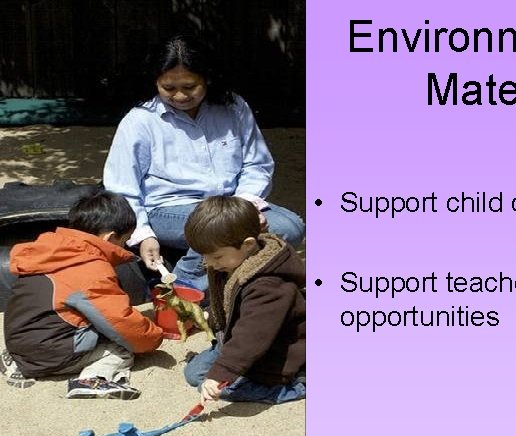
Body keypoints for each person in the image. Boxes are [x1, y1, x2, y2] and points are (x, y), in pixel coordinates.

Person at [103, 35, 305, 292]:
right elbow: (122, 187)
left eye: (189, 87)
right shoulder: (140, 121)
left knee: (290, 227)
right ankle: (182, 290)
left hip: (230, 204)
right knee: (222, 228)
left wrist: (244, 207)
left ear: (207, 78)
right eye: (168, 88)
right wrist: (143, 234)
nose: (179, 96)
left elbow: (257, 165)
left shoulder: (234, 107)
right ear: (155, 82)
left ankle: (227, 286)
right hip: (167, 209)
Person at [0, 192, 164, 398]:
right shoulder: (90, 269)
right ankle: (92, 379)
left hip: (19, 339)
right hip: (48, 352)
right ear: (110, 237)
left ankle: (17, 361)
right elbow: (120, 321)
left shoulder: (51, 250)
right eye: (125, 240)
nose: (124, 246)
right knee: (120, 350)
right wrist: (154, 336)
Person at [182, 196, 305, 404]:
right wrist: (209, 316)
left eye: (216, 256)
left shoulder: (268, 286)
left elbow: (251, 336)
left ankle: (295, 387)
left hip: (276, 353)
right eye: (204, 256)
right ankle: (230, 367)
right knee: (194, 374)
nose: (209, 263)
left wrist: (221, 374)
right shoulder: (233, 261)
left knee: (222, 389)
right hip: (238, 339)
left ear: (248, 244)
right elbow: (228, 302)